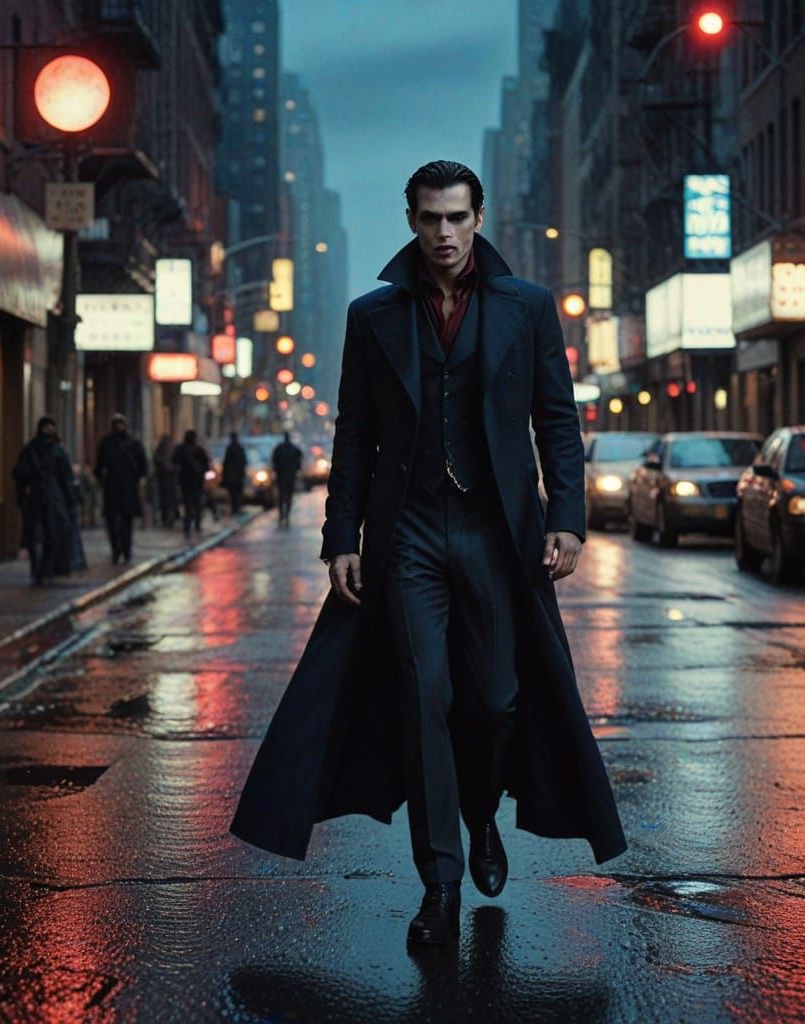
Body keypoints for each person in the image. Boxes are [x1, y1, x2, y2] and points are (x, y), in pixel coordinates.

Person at [230, 161, 626, 948]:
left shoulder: (529, 309)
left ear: (479, 216)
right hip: (407, 530)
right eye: (428, 219)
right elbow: (352, 435)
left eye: (455, 217)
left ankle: (482, 816)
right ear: (409, 219)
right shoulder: (372, 315)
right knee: (424, 697)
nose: (442, 233)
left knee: (497, 701)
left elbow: (556, 419)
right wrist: (341, 536)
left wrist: (569, 520)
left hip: (495, 531)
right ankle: (438, 882)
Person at [13, 416, 80, 586]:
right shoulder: (31, 449)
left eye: (51, 428)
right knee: (32, 536)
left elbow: (66, 477)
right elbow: (19, 473)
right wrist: (22, 496)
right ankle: (37, 570)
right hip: (36, 497)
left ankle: (45, 569)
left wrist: (70, 499)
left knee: (52, 536)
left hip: (53, 498)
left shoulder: (57, 450)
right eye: (46, 428)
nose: (48, 432)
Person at [94, 413, 147, 564]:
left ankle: (126, 549)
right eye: (117, 424)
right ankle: (116, 549)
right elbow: (99, 465)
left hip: (128, 486)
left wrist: (135, 478)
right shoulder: (107, 443)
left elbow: (143, 465)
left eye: (121, 424)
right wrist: (101, 479)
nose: (119, 427)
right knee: (112, 521)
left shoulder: (133, 443)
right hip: (111, 487)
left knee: (126, 521)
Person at [173, 429, 212, 538]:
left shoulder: (182, 449)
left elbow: (174, 462)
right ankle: (195, 525)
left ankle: (189, 526)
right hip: (194, 481)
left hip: (187, 481)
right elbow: (207, 465)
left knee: (189, 505)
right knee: (195, 504)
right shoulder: (198, 450)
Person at [271, 431, 303, 526]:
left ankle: (283, 515)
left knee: (282, 497)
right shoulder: (292, 449)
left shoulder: (280, 448)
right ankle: (285, 515)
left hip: (282, 476)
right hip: (288, 476)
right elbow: (299, 459)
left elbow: (274, 461)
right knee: (288, 496)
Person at [153, 434, 178, 527]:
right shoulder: (161, 452)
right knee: (166, 501)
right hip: (164, 480)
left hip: (168, 480)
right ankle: (166, 518)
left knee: (168, 501)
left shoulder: (171, 451)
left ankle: (169, 518)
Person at [222, 431, 248, 516]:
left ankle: (235, 509)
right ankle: (237, 509)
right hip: (237, 476)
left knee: (234, 494)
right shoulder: (238, 448)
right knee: (237, 493)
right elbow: (244, 462)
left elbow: (226, 463)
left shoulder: (231, 448)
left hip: (233, 476)